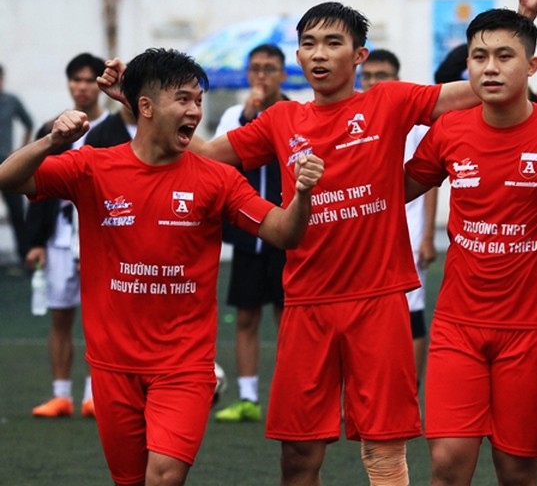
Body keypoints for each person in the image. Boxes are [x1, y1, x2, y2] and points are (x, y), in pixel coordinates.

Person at [99, 0, 537, 486]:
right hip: (307, 304)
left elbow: (482, 82)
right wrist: (136, 102)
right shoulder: (281, 120)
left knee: (384, 452)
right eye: (309, 44)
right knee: (297, 458)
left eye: (333, 43)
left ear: (359, 55)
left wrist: (523, 17)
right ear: (297, 56)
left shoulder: (389, 101)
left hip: (379, 301)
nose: (319, 54)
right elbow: (205, 154)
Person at [0, 47, 323, 486]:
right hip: (112, 366)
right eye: (183, 99)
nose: (195, 111)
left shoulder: (217, 178)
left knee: (165, 476)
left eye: (198, 101)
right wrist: (52, 141)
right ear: (146, 107)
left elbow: (285, 233)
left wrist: (302, 194)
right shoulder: (93, 166)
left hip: (185, 365)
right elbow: (8, 178)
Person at [405, 7, 537, 486]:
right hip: (458, 325)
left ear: (532, 66)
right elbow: (394, 192)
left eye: (504, 56)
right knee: (447, 463)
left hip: (535, 327)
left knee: (516, 470)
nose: (490, 68)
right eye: (479, 57)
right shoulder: (450, 130)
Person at [26, 52, 108, 419]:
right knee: (60, 316)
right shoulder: (52, 130)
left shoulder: (114, 129)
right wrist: (35, 241)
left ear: (100, 85)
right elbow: (33, 184)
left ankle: (95, 394)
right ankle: (61, 395)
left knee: (101, 318)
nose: (82, 87)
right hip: (59, 238)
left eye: (89, 80)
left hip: (100, 237)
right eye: (76, 79)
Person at [213, 43, 290, 423]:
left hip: (285, 228)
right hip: (247, 229)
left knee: (287, 317)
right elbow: (220, 161)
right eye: (256, 68)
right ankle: (247, 397)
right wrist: (247, 117)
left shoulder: (294, 113)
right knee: (246, 316)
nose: (262, 75)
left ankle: (291, 394)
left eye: (269, 68)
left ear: (283, 74)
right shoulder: (234, 115)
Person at [359, 48, 438, 387]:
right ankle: (370, 385)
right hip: (365, 232)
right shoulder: (354, 119)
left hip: (409, 228)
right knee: (368, 313)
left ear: (396, 79)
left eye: (382, 76)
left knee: (412, 311)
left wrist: (426, 237)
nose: (373, 82)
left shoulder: (414, 124)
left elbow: (430, 180)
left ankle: (411, 386)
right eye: (367, 76)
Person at [0, 63, 34, 266]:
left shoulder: (11, 101)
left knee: (17, 212)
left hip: (6, 162)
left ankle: (24, 255)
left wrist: (21, 150)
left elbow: (28, 123)